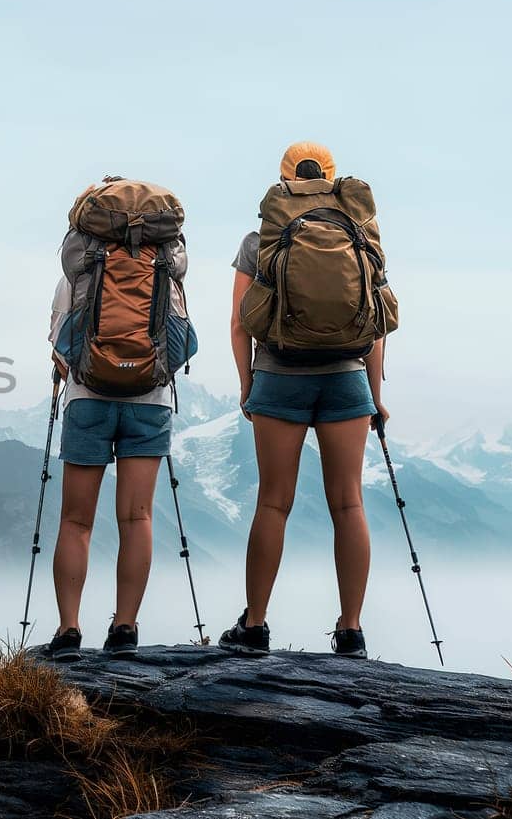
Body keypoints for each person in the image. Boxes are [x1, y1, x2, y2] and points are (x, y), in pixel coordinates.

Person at [219, 142, 387, 659]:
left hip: (279, 375)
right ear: (333, 179)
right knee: (349, 503)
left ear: (284, 178)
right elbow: (377, 323)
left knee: (273, 502)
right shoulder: (361, 233)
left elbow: (240, 321)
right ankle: (351, 630)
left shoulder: (261, 239)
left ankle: (255, 625)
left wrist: (248, 385)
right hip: (346, 379)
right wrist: (376, 396)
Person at [44, 179, 193, 661]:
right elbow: (181, 337)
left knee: (76, 520)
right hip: (149, 402)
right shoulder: (166, 267)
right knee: (137, 517)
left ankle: (69, 630)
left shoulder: (81, 267)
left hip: (87, 399)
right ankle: (125, 627)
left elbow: (61, 341)